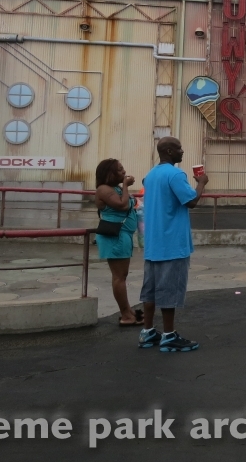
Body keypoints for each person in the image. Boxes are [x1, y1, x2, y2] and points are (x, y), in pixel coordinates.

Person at [138, 137, 208, 352]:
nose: (182, 151)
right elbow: (191, 202)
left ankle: (147, 331)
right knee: (169, 289)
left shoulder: (150, 176)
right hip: (172, 242)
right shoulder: (176, 174)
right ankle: (169, 335)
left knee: (150, 290)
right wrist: (202, 183)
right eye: (178, 148)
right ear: (169, 151)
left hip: (153, 242)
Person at [94, 159, 142, 327]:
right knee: (119, 277)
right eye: (120, 170)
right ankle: (126, 315)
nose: (124, 172)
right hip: (116, 237)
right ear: (110, 173)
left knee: (122, 276)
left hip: (122, 236)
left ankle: (128, 311)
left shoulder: (114, 188)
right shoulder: (103, 189)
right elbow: (122, 205)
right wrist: (126, 185)